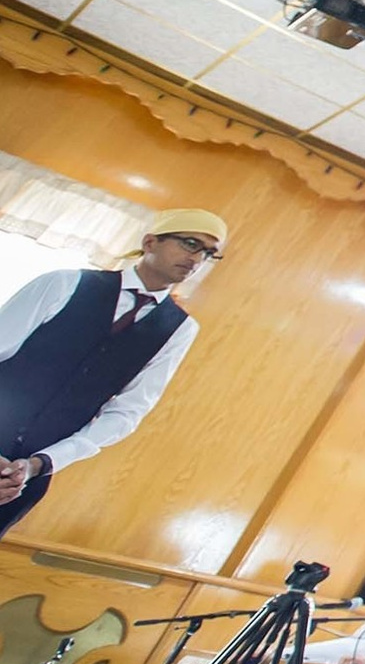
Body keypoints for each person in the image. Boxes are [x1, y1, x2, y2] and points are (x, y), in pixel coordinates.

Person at [0, 208, 225, 535]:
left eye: (208, 253)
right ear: (150, 242)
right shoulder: (64, 283)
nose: (197, 258)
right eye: (190, 243)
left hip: (22, 481)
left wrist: (40, 464)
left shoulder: (180, 329)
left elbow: (127, 413)